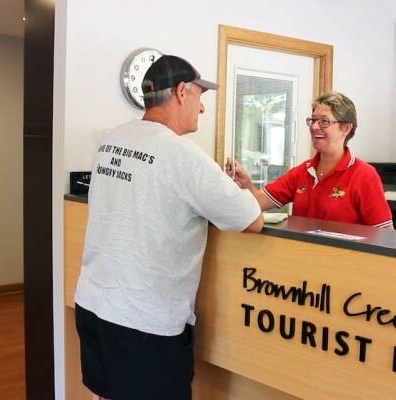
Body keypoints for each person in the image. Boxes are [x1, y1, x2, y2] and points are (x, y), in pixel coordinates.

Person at [74, 55, 263, 400]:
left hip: (94, 305)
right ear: (180, 92)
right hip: (145, 324)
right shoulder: (183, 156)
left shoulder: (112, 141)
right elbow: (251, 219)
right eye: (199, 97)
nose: (202, 108)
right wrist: (243, 187)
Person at [227, 91, 392, 228]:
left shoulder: (364, 175)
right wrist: (247, 183)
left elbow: (385, 235)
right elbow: (259, 202)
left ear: (346, 128)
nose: (314, 126)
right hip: (303, 255)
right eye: (313, 120)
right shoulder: (303, 171)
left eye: (324, 121)